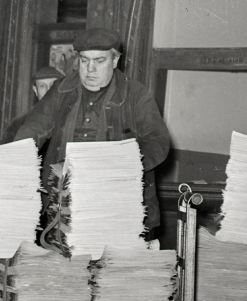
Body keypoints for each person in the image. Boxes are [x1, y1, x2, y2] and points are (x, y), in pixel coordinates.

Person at [10, 27, 173, 230]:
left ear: (115, 61)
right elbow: (33, 129)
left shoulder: (135, 94)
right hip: (63, 205)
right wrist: (16, 158)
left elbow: (158, 141)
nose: (90, 69)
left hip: (116, 205)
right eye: (84, 61)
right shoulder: (61, 90)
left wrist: (115, 164)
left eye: (99, 61)